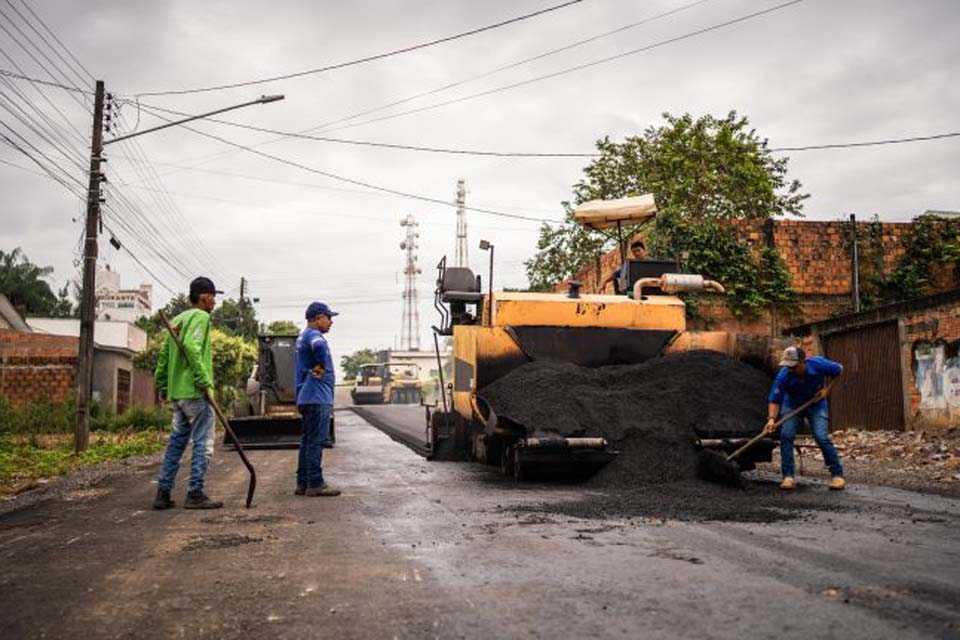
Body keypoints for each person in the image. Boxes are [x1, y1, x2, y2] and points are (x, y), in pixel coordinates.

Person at [153, 277, 224, 510]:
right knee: (203, 441)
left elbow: (164, 355)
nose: (214, 302)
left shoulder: (178, 319)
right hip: (195, 392)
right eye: (213, 297)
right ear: (204, 297)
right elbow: (192, 347)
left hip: (178, 393)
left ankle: (163, 493)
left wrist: (163, 384)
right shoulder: (201, 317)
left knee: (176, 443)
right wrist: (203, 379)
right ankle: (195, 492)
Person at [764, 346, 846, 491]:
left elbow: (839, 370)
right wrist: (771, 419)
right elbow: (775, 400)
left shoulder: (819, 364)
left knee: (821, 437)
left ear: (803, 362)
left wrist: (827, 389)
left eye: (793, 366)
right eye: (788, 366)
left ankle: (837, 475)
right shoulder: (784, 376)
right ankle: (788, 477)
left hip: (816, 404)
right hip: (792, 405)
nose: (790, 370)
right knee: (786, 435)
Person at [294, 301, 341, 497]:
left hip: (307, 396)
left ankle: (302, 482)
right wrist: (321, 364)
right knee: (316, 441)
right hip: (317, 396)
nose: (331, 322)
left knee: (307, 440)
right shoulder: (314, 336)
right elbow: (319, 346)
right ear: (317, 318)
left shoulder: (302, 336)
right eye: (328, 318)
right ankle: (315, 483)